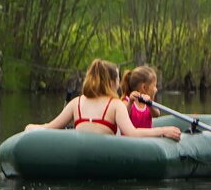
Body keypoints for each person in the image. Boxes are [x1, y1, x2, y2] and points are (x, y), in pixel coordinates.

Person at [25, 59, 181, 141]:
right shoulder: (115, 105)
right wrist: (164, 130)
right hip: (104, 157)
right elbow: (132, 133)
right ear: (112, 82)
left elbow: (49, 127)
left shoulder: (76, 102)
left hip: (80, 154)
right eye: (118, 79)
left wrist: (31, 127)